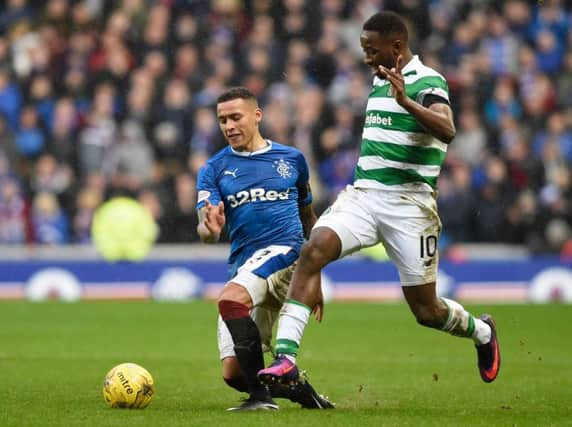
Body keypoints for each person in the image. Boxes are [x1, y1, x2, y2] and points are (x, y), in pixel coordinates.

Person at [258, 11, 501, 388]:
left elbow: (448, 128)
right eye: (364, 50)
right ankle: (286, 359)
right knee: (313, 249)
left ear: (397, 47)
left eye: (372, 50)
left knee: (427, 311)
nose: (367, 57)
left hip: (410, 207)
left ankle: (482, 332)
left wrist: (407, 102)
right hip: (365, 196)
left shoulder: (428, 81)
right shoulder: (379, 81)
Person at [196, 87, 334, 411]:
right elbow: (205, 228)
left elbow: (308, 217)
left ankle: (260, 401)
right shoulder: (213, 169)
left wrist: (313, 276)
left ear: (257, 116)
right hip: (246, 266)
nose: (228, 126)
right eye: (222, 120)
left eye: (235, 117)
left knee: (229, 299)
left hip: (286, 255)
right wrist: (209, 229)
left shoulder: (292, 160)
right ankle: (298, 389)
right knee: (234, 374)